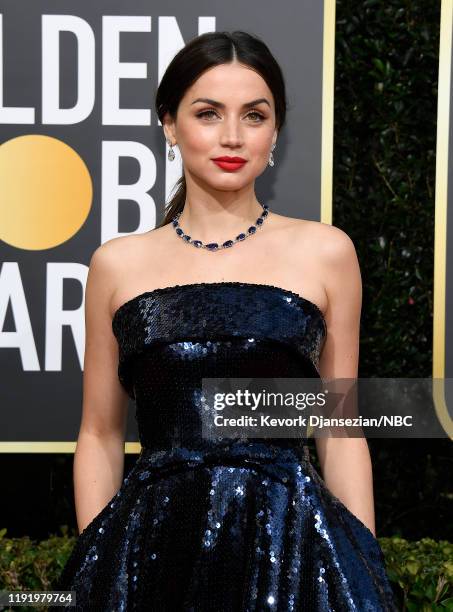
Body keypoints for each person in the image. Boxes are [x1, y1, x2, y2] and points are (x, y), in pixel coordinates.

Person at [57, 30, 398, 611]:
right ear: (169, 124)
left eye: (254, 116)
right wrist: (101, 558)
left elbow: (339, 429)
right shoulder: (116, 264)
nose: (233, 137)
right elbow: (99, 433)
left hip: (290, 547)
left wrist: (361, 562)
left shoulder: (327, 253)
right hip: (152, 547)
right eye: (208, 113)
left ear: (276, 132)